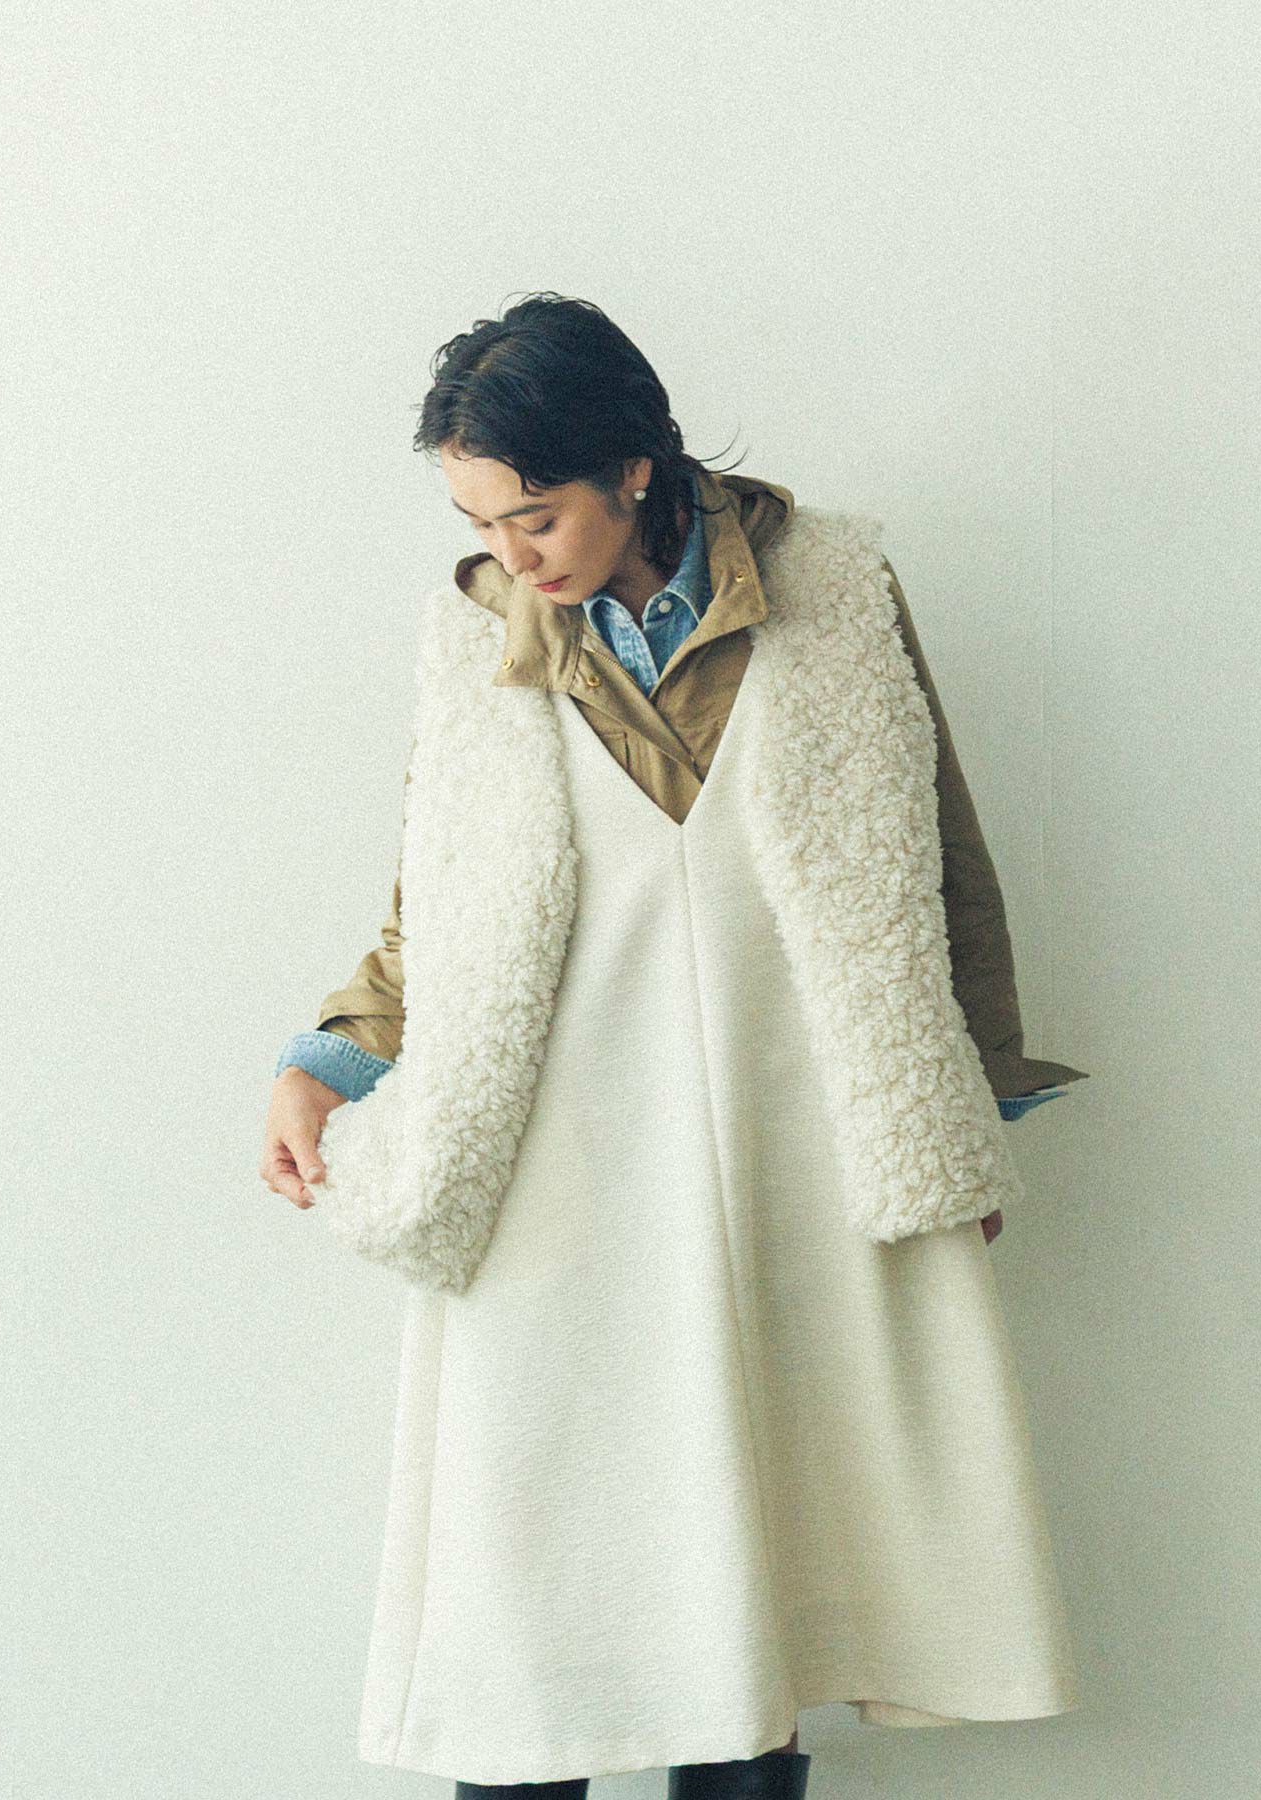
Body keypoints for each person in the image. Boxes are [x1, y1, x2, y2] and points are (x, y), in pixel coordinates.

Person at [260, 293, 1090, 1798]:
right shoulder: (477, 635)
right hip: (561, 1174)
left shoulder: (833, 589)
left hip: (785, 1158)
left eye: (535, 516)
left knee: (755, 1586)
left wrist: (964, 1122)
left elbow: (940, 863)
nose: (510, 554)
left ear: (633, 467)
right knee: (529, 1618)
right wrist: (326, 1063)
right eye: (477, 521)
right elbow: (435, 904)